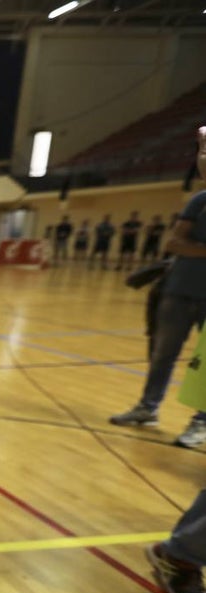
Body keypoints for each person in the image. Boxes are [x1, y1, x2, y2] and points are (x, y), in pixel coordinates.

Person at [110, 127, 206, 448]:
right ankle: (147, 408)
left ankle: (202, 421)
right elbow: (173, 242)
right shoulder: (199, 200)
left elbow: (183, 243)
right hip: (178, 290)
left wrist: (192, 247)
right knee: (162, 354)